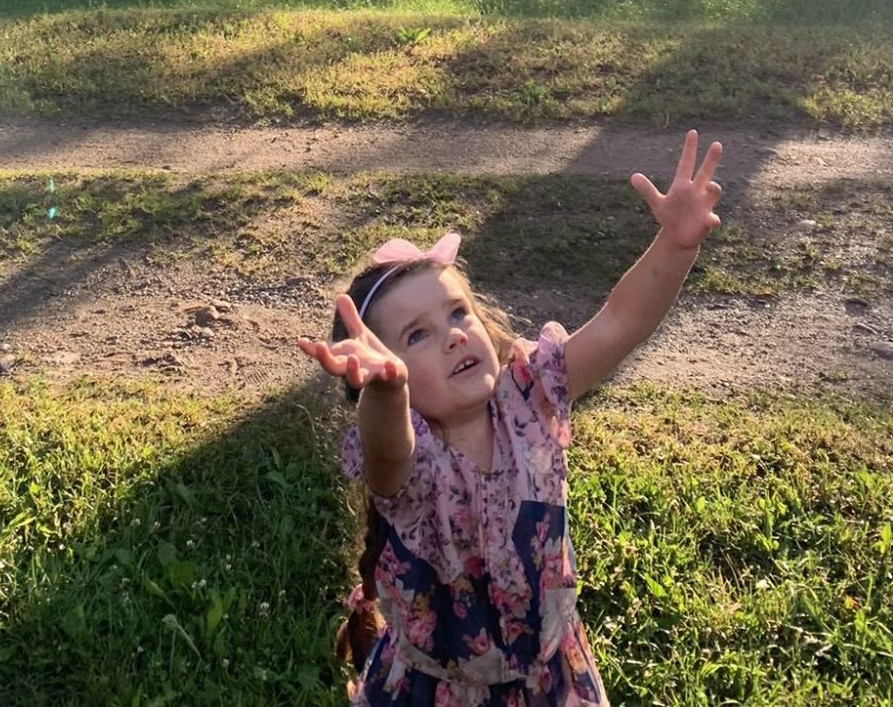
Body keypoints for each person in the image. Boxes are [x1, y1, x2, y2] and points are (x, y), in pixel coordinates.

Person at [299, 129, 725, 705]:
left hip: (551, 677)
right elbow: (386, 447)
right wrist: (387, 391)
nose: (453, 336)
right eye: (417, 335)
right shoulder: (411, 458)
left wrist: (674, 246)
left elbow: (619, 323)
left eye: (458, 313)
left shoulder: (531, 394)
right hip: (439, 690)